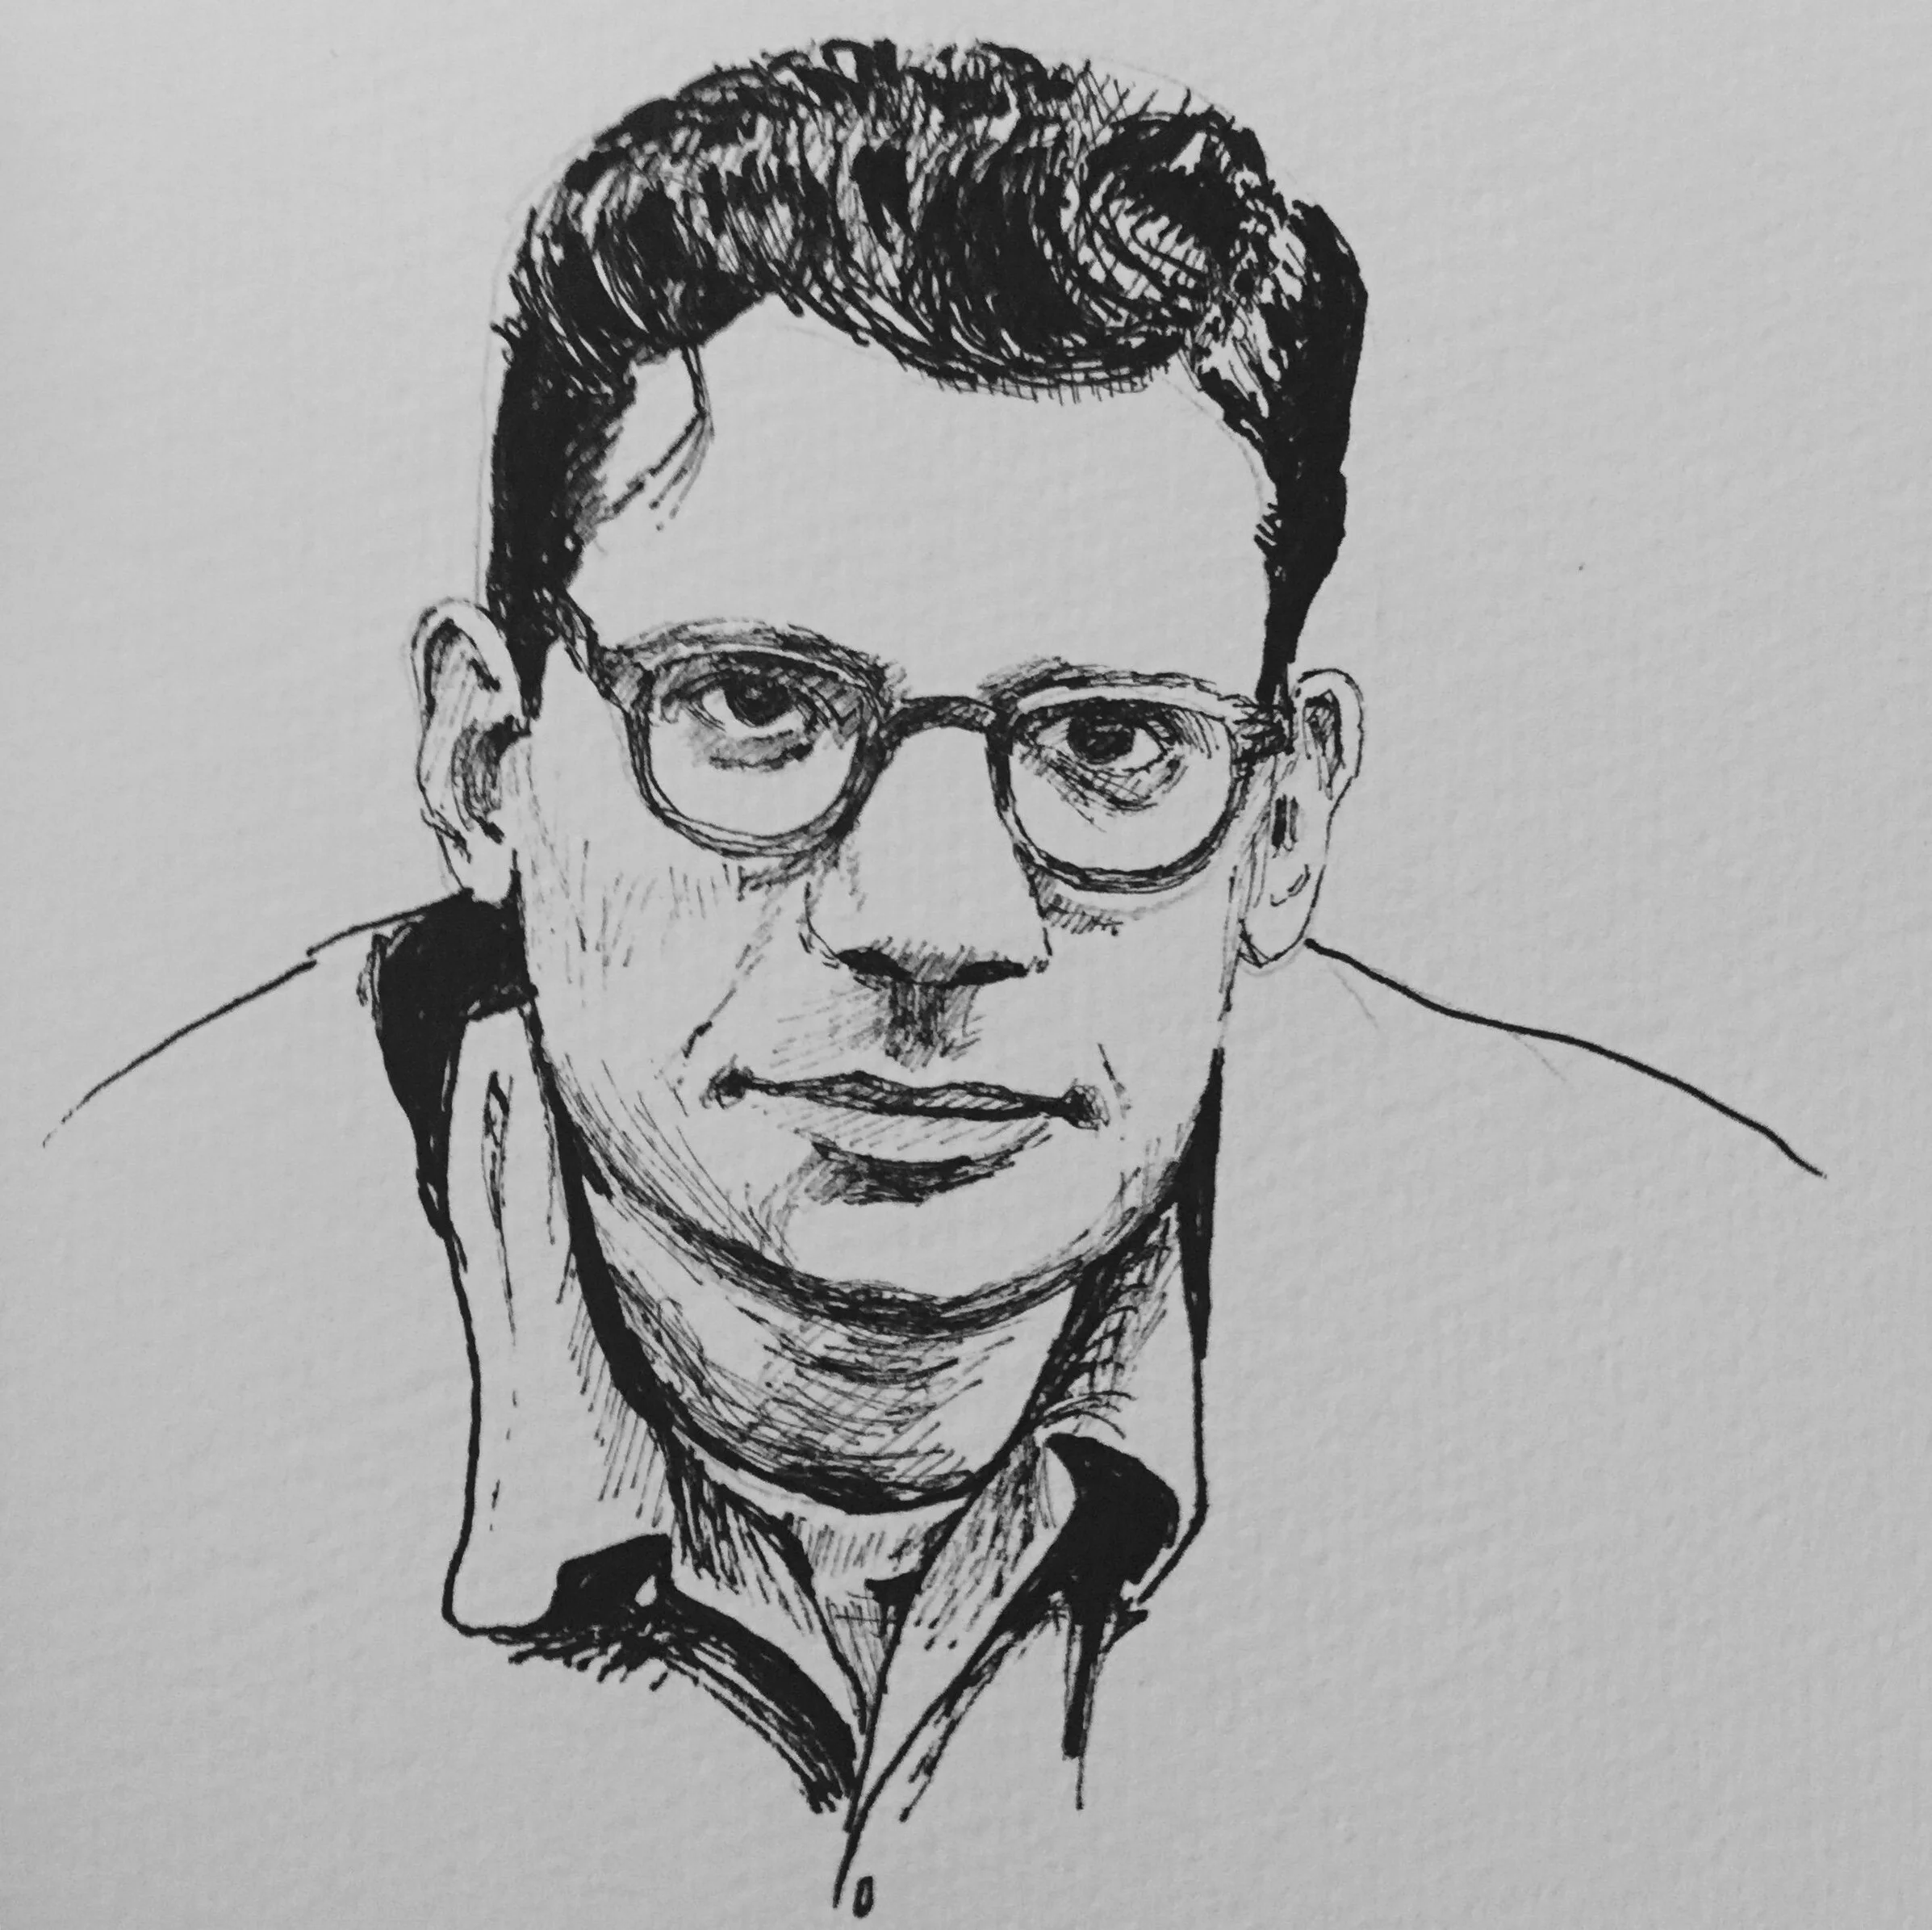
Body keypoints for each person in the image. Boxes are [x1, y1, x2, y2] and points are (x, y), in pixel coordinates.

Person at [24, 40, 1829, 1926]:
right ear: (488, 762)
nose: (933, 917)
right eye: (754, 704)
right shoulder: (79, 1320)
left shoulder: (1716, 1329)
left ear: (1286, 824)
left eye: (1112, 741)